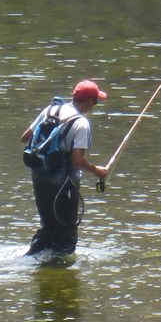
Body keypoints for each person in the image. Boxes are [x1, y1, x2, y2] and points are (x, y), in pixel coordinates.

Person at [20, 79, 109, 257]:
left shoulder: (51, 110)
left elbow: (25, 138)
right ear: (90, 101)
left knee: (48, 226)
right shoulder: (81, 123)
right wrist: (98, 171)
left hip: (39, 177)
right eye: (96, 101)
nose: (95, 105)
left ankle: (33, 262)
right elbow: (77, 161)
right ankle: (58, 273)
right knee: (66, 235)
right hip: (63, 184)